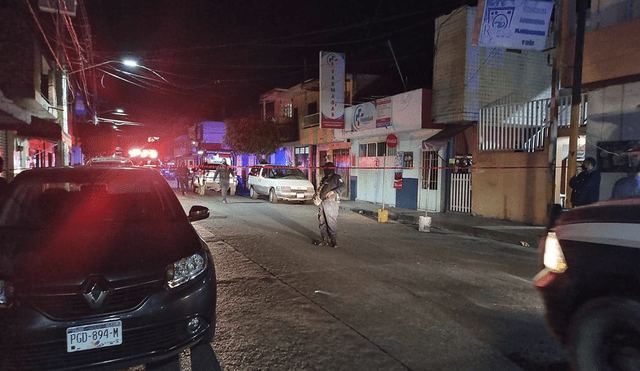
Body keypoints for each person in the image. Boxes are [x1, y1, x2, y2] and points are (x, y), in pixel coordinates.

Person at [313, 162, 346, 248]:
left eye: (326, 168)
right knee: (322, 221)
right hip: (322, 202)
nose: (325, 170)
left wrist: (333, 192)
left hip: (331, 203)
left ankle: (333, 241)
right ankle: (324, 240)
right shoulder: (325, 178)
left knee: (331, 222)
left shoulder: (336, 177)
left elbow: (343, 187)